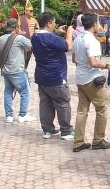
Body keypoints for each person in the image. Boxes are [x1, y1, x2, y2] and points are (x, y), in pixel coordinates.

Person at [72, 13, 110, 151]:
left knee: (82, 111)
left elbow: (74, 58)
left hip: (80, 78)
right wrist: (106, 66)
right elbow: (93, 62)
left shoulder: (78, 38)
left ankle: (78, 142)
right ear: (94, 24)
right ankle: (98, 140)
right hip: (92, 80)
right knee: (101, 109)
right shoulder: (92, 41)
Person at [31, 12, 75, 140]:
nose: (55, 24)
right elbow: (68, 46)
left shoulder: (35, 36)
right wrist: (69, 32)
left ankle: (48, 130)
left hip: (41, 76)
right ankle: (66, 130)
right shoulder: (51, 38)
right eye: (53, 22)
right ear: (49, 23)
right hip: (56, 76)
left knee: (45, 104)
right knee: (63, 103)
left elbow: (49, 39)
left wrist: (57, 31)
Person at [0, 18, 35, 124]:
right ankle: (22, 115)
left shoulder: (1, 38)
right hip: (17, 70)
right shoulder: (19, 38)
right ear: (16, 27)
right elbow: (32, 44)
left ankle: (9, 116)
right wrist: (24, 34)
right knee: (25, 92)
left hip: (5, 70)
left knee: (8, 92)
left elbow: (0, 52)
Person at [19, 0, 38, 68]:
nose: (32, 12)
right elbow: (17, 29)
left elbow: (37, 29)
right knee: (23, 57)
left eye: (32, 11)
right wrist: (22, 33)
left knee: (28, 57)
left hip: (32, 41)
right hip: (23, 40)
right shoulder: (20, 19)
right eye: (30, 11)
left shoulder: (34, 20)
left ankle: (25, 69)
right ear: (25, 11)